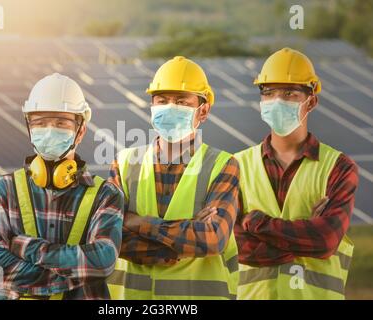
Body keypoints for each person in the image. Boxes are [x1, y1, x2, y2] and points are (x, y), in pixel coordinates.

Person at [0, 73, 123, 299]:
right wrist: (72, 275)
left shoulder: (105, 195)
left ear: (81, 130)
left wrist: (26, 248)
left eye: (60, 123)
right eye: (40, 123)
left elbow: (102, 262)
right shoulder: (2, 189)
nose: (49, 130)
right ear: (29, 128)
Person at [106, 56, 240, 300]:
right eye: (162, 100)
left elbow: (212, 239)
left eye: (181, 101)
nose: (170, 107)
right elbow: (109, 237)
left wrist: (137, 223)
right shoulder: (125, 163)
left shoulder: (222, 165)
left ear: (204, 110)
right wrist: (181, 240)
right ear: (152, 105)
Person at [234, 48, 358, 299]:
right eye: (269, 93)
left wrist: (255, 223)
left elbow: (325, 239)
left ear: (310, 101)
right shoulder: (235, 165)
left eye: (289, 93)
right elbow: (235, 247)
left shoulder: (339, 168)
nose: (277, 101)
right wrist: (304, 236)